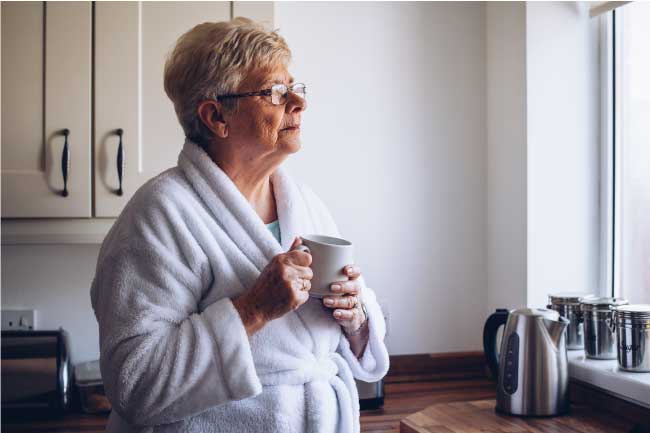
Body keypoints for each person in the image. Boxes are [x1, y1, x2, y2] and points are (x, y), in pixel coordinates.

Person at [90, 17, 389, 433]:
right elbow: (135, 383)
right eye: (275, 92)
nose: (298, 103)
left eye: (295, 88)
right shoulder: (159, 215)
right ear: (216, 117)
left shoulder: (304, 203)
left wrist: (354, 316)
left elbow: (342, 343)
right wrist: (252, 309)